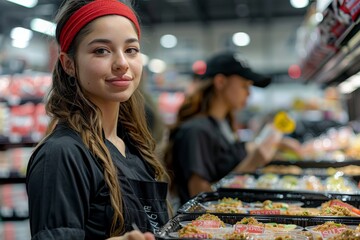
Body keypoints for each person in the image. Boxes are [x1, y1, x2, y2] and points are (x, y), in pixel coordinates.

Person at [26, 0, 169, 239]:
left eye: (131, 50)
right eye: (101, 50)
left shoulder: (132, 146)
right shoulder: (62, 155)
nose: (122, 63)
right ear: (69, 64)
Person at [164, 50, 295, 205]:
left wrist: (273, 144)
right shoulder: (196, 131)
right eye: (244, 86)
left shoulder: (223, 125)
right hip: (206, 227)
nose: (249, 94)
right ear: (220, 82)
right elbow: (199, 197)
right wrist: (250, 164)